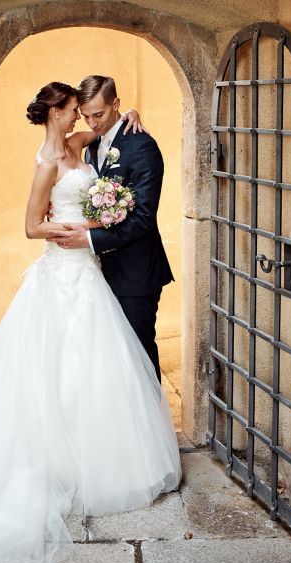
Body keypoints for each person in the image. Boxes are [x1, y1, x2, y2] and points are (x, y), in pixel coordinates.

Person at [0, 82, 181, 563]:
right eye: (77, 112)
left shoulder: (82, 142)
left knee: (100, 361)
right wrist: (67, 232)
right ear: (59, 112)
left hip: (92, 269)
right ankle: (60, 460)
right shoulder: (47, 160)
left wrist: (132, 116)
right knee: (61, 362)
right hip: (65, 268)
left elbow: (108, 140)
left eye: (93, 113)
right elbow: (29, 225)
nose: (85, 119)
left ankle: (100, 452)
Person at [49, 75, 173, 382]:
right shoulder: (91, 144)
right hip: (98, 274)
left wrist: (89, 238)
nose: (92, 123)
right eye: (86, 115)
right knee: (106, 362)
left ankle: (150, 429)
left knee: (138, 356)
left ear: (116, 105)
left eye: (99, 114)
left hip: (136, 274)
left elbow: (143, 217)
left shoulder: (142, 146)